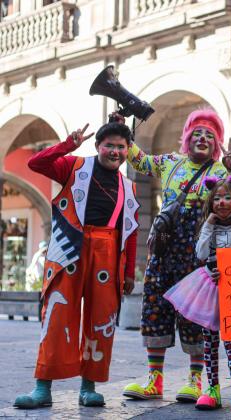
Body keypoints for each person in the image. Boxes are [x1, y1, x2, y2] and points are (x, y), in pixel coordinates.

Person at [123, 109, 231, 402]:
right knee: (155, 305)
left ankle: (195, 380)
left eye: (210, 135)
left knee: (196, 312)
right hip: (165, 243)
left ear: (216, 143)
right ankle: (154, 379)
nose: (202, 138)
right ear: (187, 138)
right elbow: (139, 161)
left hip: (199, 248)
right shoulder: (169, 162)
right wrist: (124, 133)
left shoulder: (219, 171)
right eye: (197, 133)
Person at [15, 121, 139, 409]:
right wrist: (67, 145)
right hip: (69, 246)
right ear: (98, 146)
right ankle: (42, 388)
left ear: (127, 151)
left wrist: (129, 271)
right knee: (56, 316)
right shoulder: (73, 166)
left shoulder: (129, 187)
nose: (115, 151)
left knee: (101, 319)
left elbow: (130, 233)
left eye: (121, 147)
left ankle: (89, 387)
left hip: (108, 252)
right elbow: (36, 162)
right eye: (110, 145)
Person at [164, 176, 231, 414]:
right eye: (217, 198)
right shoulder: (208, 226)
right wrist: (208, 224)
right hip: (210, 286)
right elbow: (200, 253)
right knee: (209, 340)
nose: (222, 202)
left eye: (227, 197)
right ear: (210, 203)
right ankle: (212, 389)